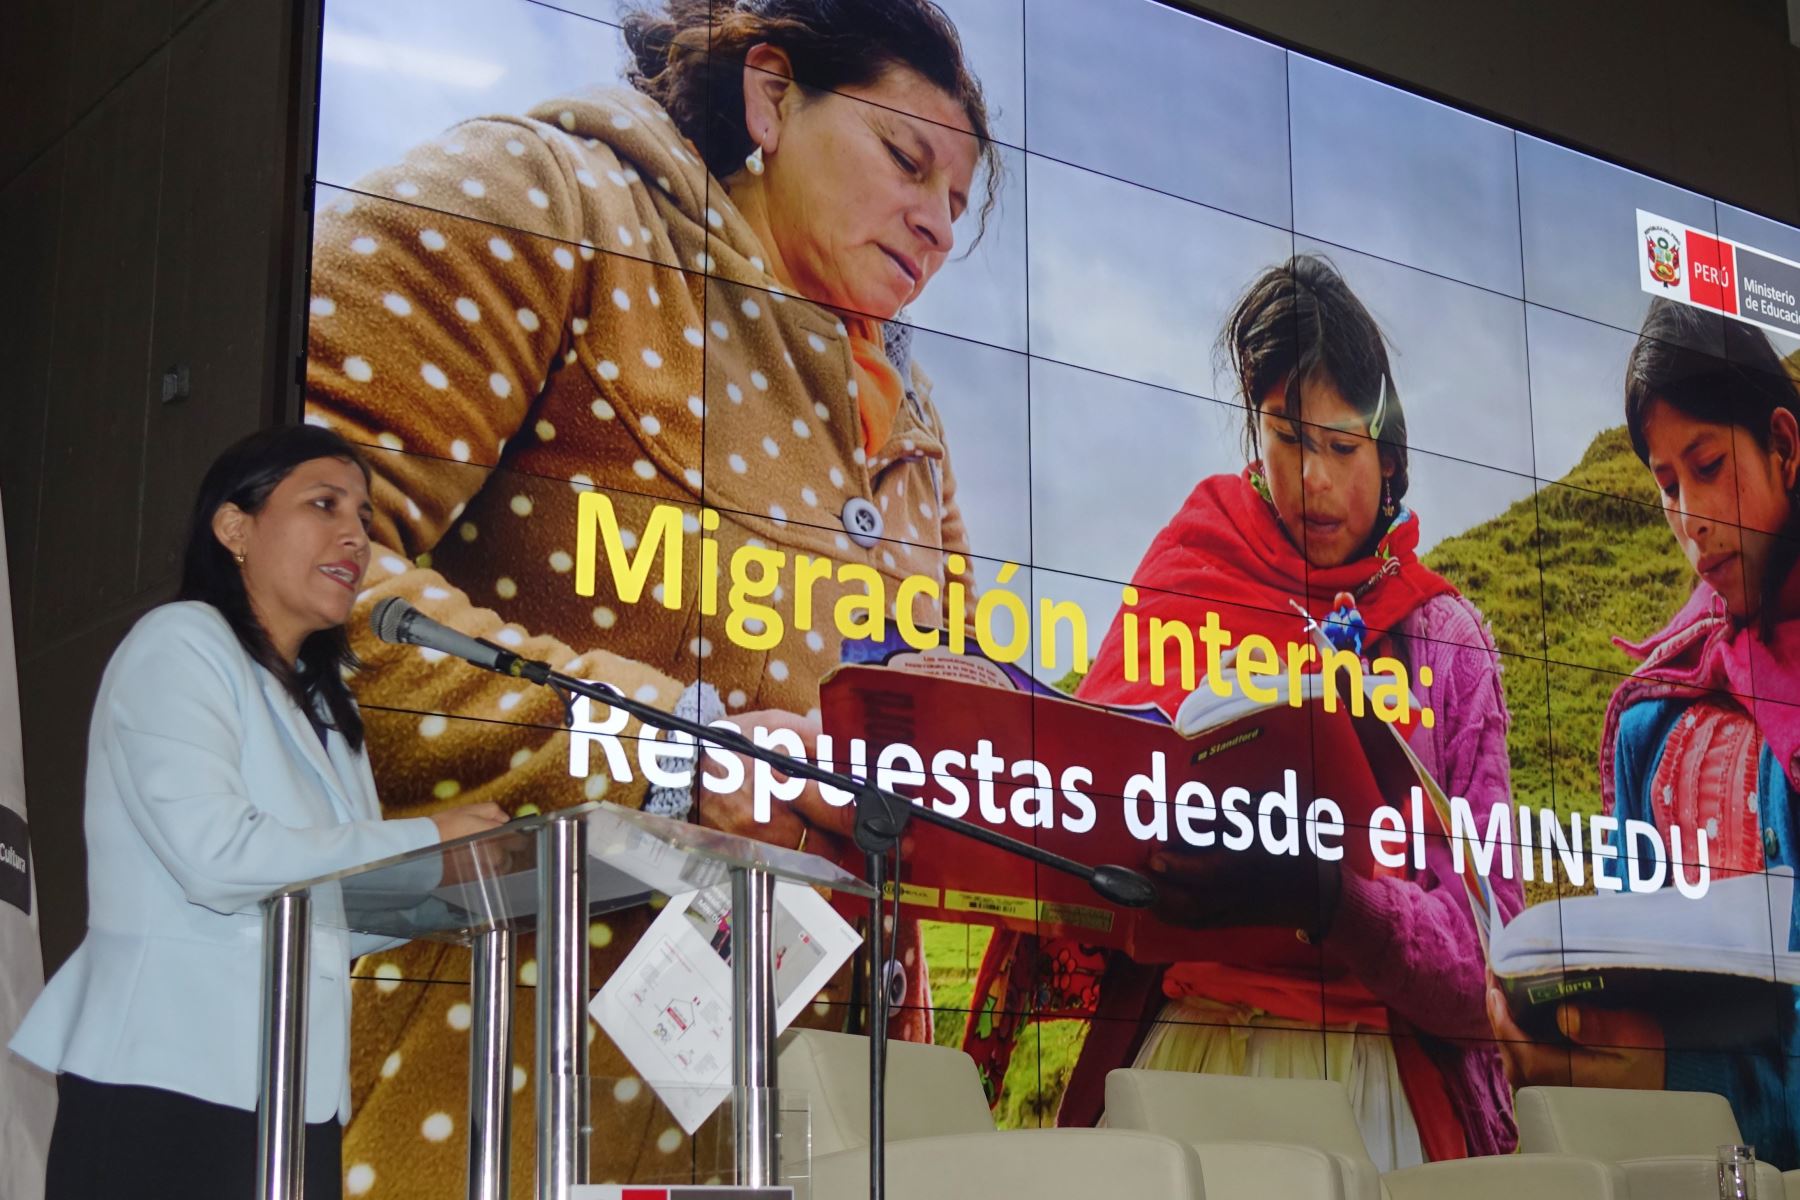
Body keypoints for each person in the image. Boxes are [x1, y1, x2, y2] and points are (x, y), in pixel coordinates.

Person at [301, 0, 1000, 1188]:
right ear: (771, 97)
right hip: (498, 1102)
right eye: (906, 158)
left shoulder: (913, 426)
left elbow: (951, 717)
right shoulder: (550, 198)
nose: (936, 219)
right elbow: (292, 589)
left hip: (815, 1124)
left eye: (959, 202)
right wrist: (678, 760)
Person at [1020, 256, 1521, 1165]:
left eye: (1343, 447)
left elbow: (1484, 962)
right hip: (1181, 1064)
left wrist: (1335, 902)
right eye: (1288, 438)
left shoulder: (1446, 642)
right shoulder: (1189, 570)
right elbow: (1081, 816)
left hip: (1367, 1090)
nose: (1313, 480)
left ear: (1391, 456)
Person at [7, 426, 508, 1200]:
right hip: (167, 1080)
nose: (356, 536)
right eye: (324, 505)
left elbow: (332, 911)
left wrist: (454, 886)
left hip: (292, 1097)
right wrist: (427, 839)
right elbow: (217, 858)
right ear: (234, 528)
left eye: (365, 517)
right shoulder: (180, 644)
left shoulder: (329, 710)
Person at [1487, 297, 1800, 1168]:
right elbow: (1634, 962)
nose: (1690, 517)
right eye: (1668, 486)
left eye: (1709, 466)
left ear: (1784, 446)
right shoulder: (1651, 716)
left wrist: (1679, 1075)